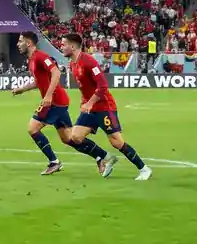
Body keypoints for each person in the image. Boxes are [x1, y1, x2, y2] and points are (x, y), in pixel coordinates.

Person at [61, 33, 152, 181]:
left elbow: (103, 85)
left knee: (116, 141)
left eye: (64, 44)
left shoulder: (88, 61)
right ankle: (106, 157)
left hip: (104, 107)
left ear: (72, 46)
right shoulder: (72, 63)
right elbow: (85, 87)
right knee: (75, 137)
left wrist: (89, 103)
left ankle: (144, 169)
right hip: (90, 108)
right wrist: (84, 103)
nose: (61, 47)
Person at [9, 31, 75, 175]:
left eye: (20, 41)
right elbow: (38, 82)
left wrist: (49, 95)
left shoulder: (41, 56)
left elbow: (56, 72)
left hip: (54, 101)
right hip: (56, 101)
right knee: (69, 138)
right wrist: (22, 89)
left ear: (29, 43)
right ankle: (100, 155)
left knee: (32, 128)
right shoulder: (31, 60)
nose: (17, 44)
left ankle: (54, 162)